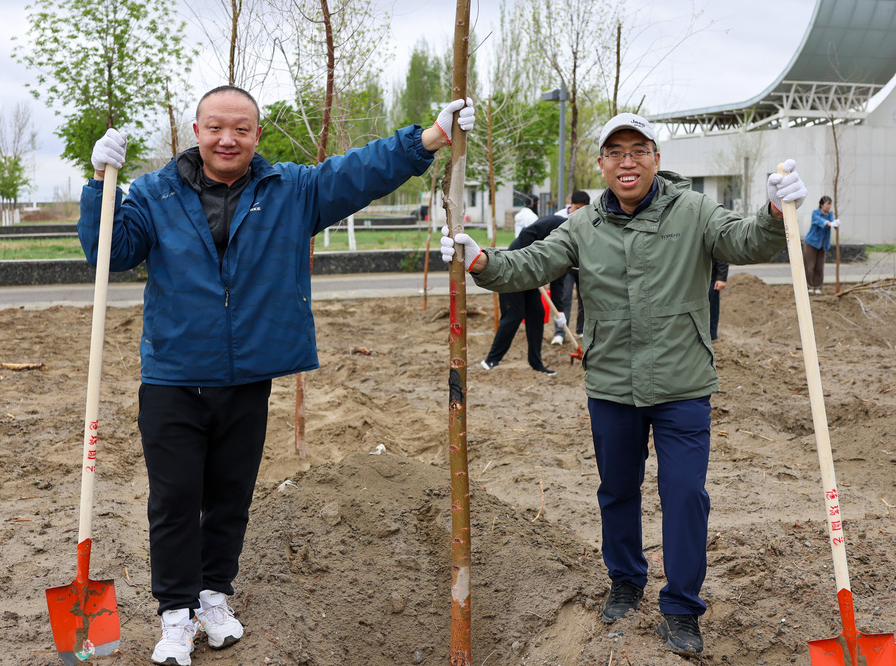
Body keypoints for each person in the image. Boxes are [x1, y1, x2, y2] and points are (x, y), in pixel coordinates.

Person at [80, 85, 475, 666]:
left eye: (241, 129)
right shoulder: (154, 193)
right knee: (174, 499)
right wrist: (99, 184)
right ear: (197, 131)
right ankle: (176, 616)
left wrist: (430, 138)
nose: (228, 139)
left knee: (230, 497)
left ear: (257, 135)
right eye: (216, 127)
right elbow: (109, 253)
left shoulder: (291, 190)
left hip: (248, 376)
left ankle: (213, 599)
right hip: (173, 377)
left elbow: (359, 172)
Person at [441, 112, 808, 657]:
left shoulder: (693, 210)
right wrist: (480, 261)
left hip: (683, 383)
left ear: (657, 158)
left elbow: (746, 240)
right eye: (616, 152)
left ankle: (681, 607)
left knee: (684, 495)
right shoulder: (583, 227)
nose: (627, 161)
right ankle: (626, 579)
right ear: (602, 164)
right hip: (612, 383)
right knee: (616, 489)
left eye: (638, 150)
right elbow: (533, 264)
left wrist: (775, 213)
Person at [479, 213, 569, 375]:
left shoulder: (569, 249)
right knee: (514, 315)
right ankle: (491, 360)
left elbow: (558, 281)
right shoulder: (555, 222)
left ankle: (536, 362)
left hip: (531, 278)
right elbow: (527, 234)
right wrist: (527, 261)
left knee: (537, 314)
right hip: (513, 270)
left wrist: (559, 310)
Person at [549, 190, 591, 345]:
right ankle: (560, 332)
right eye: (577, 208)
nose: (580, 212)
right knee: (564, 297)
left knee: (585, 298)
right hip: (565, 266)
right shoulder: (559, 218)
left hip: (583, 266)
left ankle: (581, 330)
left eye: (583, 209)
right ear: (571, 205)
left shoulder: (590, 218)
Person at [802, 195, 840, 294]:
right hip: (811, 243)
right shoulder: (815, 213)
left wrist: (835, 223)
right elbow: (820, 221)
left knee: (819, 267)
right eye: (827, 204)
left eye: (830, 204)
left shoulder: (830, 214)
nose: (829, 206)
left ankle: (818, 286)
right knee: (810, 266)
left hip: (823, 245)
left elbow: (832, 220)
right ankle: (810, 286)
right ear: (822, 205)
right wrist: (829, 223)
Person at [708, 259, 729, 340]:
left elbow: (721, 255)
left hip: (710, 279)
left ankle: (711, 337)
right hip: (690, 280)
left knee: (711, 310)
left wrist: (721, 277)